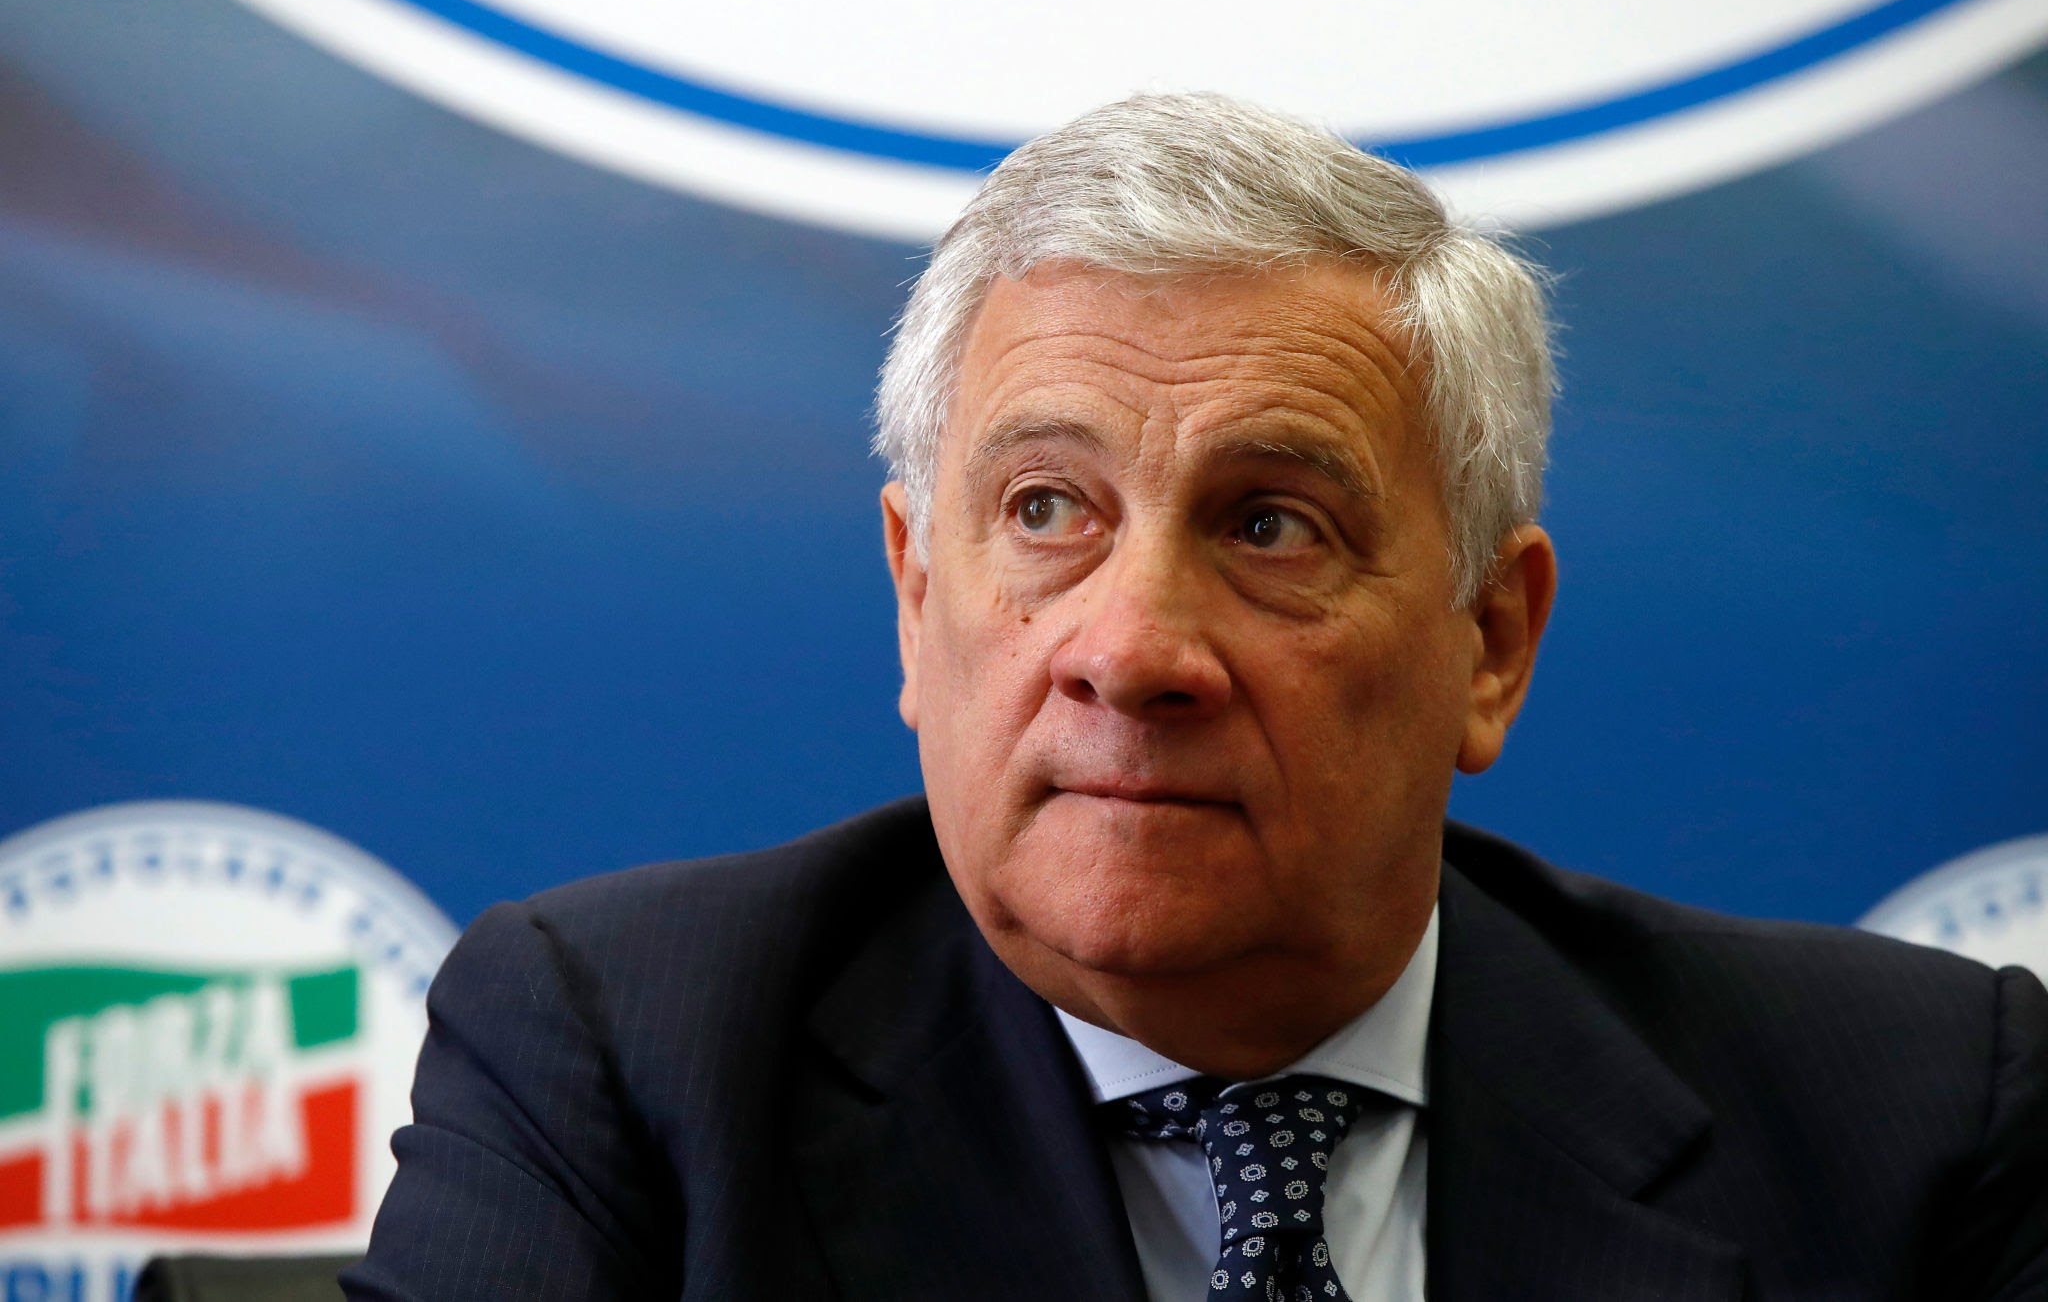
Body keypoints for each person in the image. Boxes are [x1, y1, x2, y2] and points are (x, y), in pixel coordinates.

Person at [345, 94, 2048, 1302]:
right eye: (1046, 510)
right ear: (917, 597)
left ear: (1489, 641)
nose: (1133, 648)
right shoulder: (623, 1066)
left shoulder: (1914, 1117)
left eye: (1270, 525)